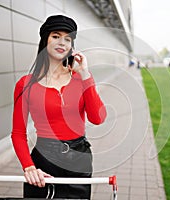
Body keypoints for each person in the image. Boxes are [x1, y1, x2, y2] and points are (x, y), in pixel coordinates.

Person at [11, 15, 107, 199]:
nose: (62, 42)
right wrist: (29, 167)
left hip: (79, 161)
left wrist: (86, 74)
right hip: (44, 162)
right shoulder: (25, 84)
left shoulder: (81, 79)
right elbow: (18, 133)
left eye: (68, 38)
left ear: (72, 45)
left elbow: (98, 118)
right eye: (56, 36)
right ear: (45, 39)